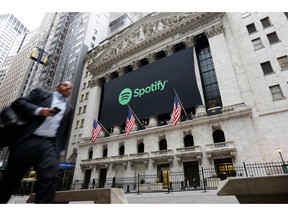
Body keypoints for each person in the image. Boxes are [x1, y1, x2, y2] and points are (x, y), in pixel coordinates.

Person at [0, 81, 74, 203]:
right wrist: (39, 111)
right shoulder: (41, 94)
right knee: (11, 178)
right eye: (65, 85)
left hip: (49, 145)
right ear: (58, 86)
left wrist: (60, 151)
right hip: (29, 139)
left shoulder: (69, 108)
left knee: (49, 179)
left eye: (70, 87)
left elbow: (65, 131)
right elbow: (18, 103)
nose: (68, 88)